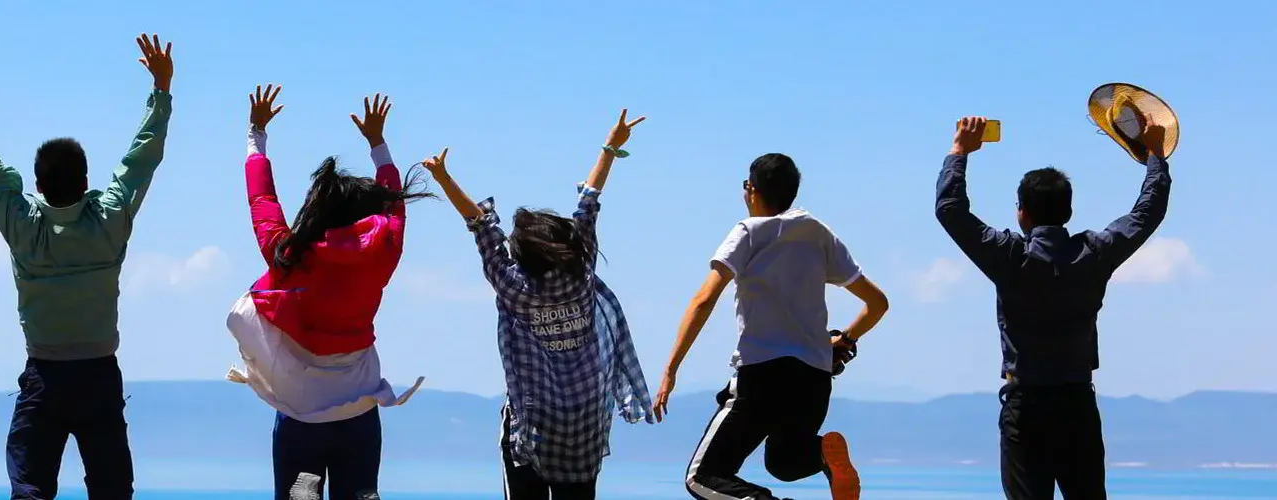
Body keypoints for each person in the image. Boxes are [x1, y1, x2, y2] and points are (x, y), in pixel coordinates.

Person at [0, 34, 174, 500]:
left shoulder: (23, 226)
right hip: (98, 376)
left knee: (29, 488)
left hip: (44, 377)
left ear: (37, 185)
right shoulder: (109, 221)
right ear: (87, 181)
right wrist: (161, 90)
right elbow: (142, 159)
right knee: (112, 491)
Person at [419, 111, 655, 499]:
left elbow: (479, 224)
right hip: (585, 421)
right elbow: (588, 203)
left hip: (533, 424)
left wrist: (443, 177)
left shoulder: (512, 286)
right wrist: (610, 147)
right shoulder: (580, 276)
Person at [935, 114, 1171, 500]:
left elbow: (950, 209)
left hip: (1025, 408)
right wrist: (1156, 156)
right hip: (1077, 407)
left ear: (1022, 212)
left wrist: (960, 151)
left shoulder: (1009, 257)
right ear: (1069, 212)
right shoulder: (1094, 253)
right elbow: (1147, 213)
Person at [223, 85, 433, 500]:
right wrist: (378, 144)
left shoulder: (288, 254)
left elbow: (261, 200)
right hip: (358, 416)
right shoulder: (383, 249)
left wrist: (256, 136)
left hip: (300, 421)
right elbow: (395, 205)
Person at [651, 153, 891, 500]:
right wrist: (844, 338)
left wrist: (671, 369)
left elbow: (703, 300)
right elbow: (878, 304)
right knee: (786, 463)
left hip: (762, 378)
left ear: (752, 190)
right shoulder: (818, 233)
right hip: (813, 380)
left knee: (702, 477)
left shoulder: (748, 232)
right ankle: (822, 452)